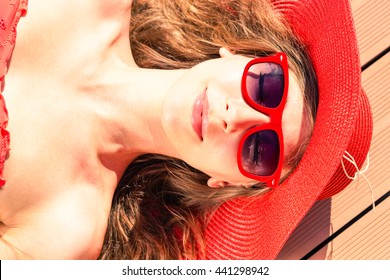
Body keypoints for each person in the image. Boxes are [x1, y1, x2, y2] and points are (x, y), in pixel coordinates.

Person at [0, 0, 372, 260]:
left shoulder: (68, 228)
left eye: (260, 150)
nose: (237, 117)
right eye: (266, 87)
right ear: (238, 53)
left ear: (225, 182)